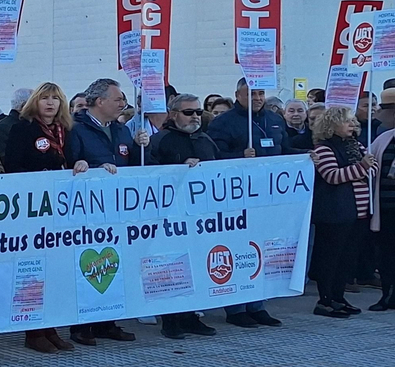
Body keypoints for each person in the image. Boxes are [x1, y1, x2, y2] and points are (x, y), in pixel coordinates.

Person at [63, 79, 143, 345]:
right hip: (86, 211)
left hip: (117, 209)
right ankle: (81, 324)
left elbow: (134, 165)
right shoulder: (75, 128)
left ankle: (107, 321)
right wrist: (87, 168)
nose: (123, 104)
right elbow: (68, 164)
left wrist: (142, 147)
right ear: (100, 101)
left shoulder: (121, 130)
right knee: (86, 264)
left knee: (112, 263)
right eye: (118, 99)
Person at [203, 82, 287, 329]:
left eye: (261, 93)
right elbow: (214, 156)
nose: (258, 97)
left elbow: (285, 149)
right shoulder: (223, 122)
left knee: (261, 249)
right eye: (251, 94)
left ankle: (257, 305)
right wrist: (239, 157)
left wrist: (307, 155)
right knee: (238, 249)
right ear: (237, 95)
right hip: (237, 200)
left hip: (268, 198)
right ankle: (236, 307)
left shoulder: (274, 119)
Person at [1, 83, 76, 354]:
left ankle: (51, 326)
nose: (50, 103)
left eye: (55, 98)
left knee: (55, 270)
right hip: (33, 208)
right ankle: (33, 331)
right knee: (34, 271)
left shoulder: (65, 130)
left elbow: (72, 159)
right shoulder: (24, 129)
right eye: (45, 98)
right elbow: (12, 165)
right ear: (35, 101)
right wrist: (38, 177)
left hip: (61, 207)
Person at [145, 95, 222, 340]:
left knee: (197, 263)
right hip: (170, 217)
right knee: (171, 266)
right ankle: (170, 319)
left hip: (200, 217)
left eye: (198, 112)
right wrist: (178, 169)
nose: (195, 117)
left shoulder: (206, 140)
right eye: (189, 112)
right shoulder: (161, 140)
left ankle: (191, 316)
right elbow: (149, 174)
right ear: (173, 114)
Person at [310, 106, 372, 317]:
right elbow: (332, 176)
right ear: (333, 124)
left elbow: (372, 167)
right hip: (335, 213)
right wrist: (361, 168)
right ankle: (325, 300)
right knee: (330, 258)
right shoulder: (323, 149)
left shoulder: (356, 145)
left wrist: (362, 168)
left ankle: (338, 297)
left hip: (359, 212)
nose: (352, 125)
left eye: (353, 121)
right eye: (347, 121)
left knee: (347, 258)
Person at [369, 113, 395, 310]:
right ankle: (387, 295)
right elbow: (369, 166)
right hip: (386, 209)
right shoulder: (384, 138)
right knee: (387, 255)